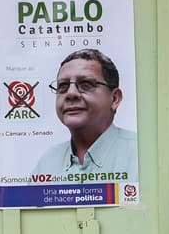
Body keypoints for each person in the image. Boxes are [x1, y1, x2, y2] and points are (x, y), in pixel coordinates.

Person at [31, 48, 138, 179]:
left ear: (114, 98)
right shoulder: (48, 163)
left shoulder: (141, 154)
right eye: (63, 86)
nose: (70, 93)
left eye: (86, 84)